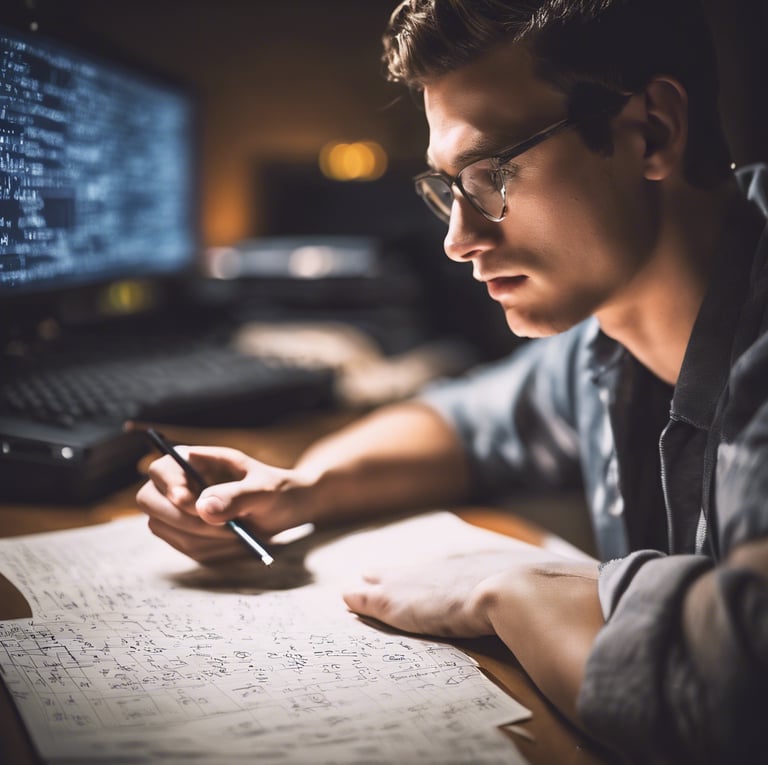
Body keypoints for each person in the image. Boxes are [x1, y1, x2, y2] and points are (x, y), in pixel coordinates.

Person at [136, 1, 768, 762]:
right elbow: (462, 421)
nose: (459, 239)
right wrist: (300, 486)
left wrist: (507, 588)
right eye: (448, 187)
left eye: (492, 173)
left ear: (654, 131)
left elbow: (736, 689)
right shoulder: (611, 334)